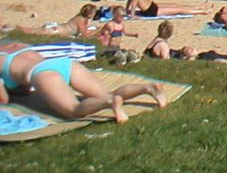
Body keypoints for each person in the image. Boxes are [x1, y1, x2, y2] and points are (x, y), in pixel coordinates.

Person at [0, 41, 168, 124]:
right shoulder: (17, 44)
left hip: (42, 74)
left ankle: (110, 102)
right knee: (109, 92)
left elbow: (4, 99)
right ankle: (147, 88)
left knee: (74, 110)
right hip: (63, 64)